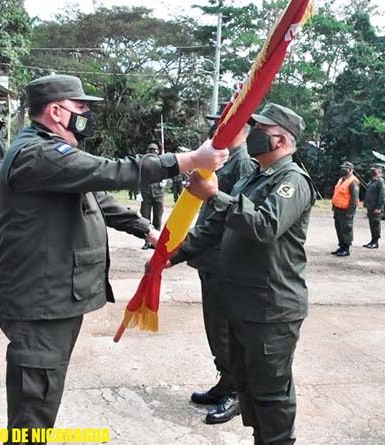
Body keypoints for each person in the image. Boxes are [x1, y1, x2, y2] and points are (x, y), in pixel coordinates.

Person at [0, 74, 228, 440]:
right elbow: (111, 172)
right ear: (55, 111)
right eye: (80, 107)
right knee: (33, 406)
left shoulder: (49, 152)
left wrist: (147, 230)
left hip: (51, 298)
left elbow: (98, 198)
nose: (86, 114)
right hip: (38, 302)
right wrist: (189, 159)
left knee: (43, 394)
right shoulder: (38, 153)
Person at [170, 103, 314, 445]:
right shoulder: (253, 177)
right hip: (242, 303)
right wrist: (171, 256)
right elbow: (216, 228)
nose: (252, 136)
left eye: (260, 130)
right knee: (248, 386)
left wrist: (214, 195)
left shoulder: (292, 181)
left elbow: (265, 226)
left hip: (271, 308)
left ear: (279, 139)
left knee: (272, 393)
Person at [187, 121, 255, 424]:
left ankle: (237, 392)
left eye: (224, 124)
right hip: (209, 257)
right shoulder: (225, 159)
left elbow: (240, 217)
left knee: (226, 331)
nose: (217, 129)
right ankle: (225, 381)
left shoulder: (243, 164)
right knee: (215, 329)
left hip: (223, 260)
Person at [140, 142, 166, 250]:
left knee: (157, 218)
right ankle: (146, 241)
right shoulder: (143, 164)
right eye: (150, 150)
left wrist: (165, 180)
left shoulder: (162, 162)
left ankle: (156, 242)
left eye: (154, 150)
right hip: (146, 193)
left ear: (158, 151)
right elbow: (139, 178)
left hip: (158, 193)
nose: (152, 152)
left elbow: (167, 173)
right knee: (145, 219)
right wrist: (138, 193)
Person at [331, 161, 359, 257]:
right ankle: (341, 246)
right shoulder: (341, 180)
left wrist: (350, 212)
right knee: (339, 229)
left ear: (351, 170)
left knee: (346, 229)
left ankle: (346, 248)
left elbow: (354, 199)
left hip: (346, 210)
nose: (343, 170)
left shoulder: (353, 182)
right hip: (338, 209)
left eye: (345, 168)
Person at [362, 166, 385, 249]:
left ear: (379, 171)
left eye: (374, 170)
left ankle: (375, 242)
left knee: (375, 224)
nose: (372, 171)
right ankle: (372, 240)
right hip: (370, 206)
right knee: (372, 224)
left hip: (376, 207)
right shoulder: (373, 180)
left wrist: (379, 207)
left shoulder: (380, 181)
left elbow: (381, 195)